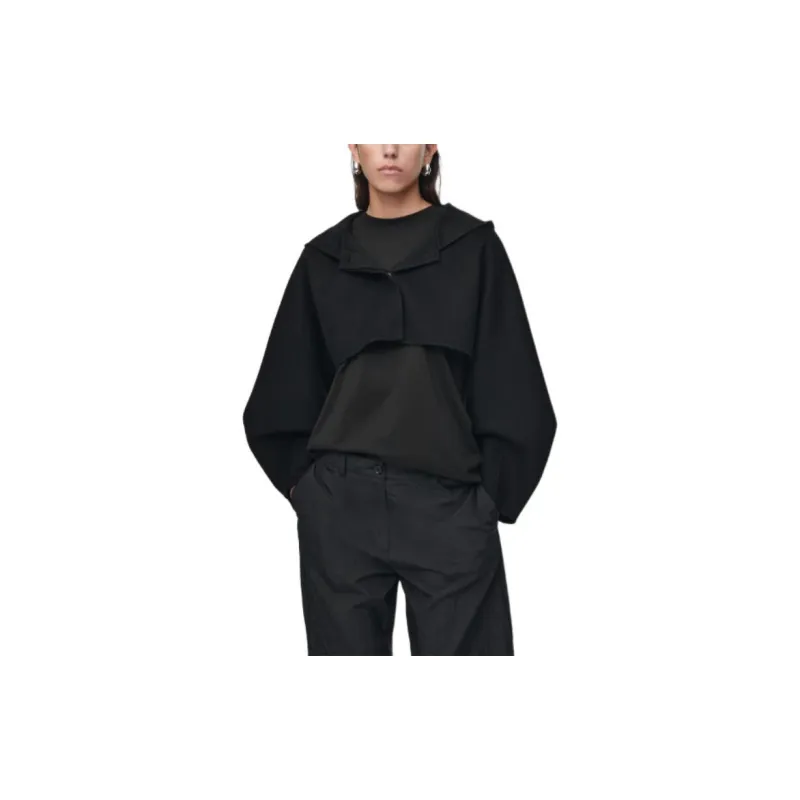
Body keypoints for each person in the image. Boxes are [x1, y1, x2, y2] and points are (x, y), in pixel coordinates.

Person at [243, 144, 557, 656]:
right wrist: (310, 493)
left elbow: (513, 381)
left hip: (449, 505)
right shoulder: (322, 258)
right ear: (353, 146)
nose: (390, 148)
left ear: (431, 146)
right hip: (341, 510)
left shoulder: (473, 248)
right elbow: (281, 390)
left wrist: (488, 501)